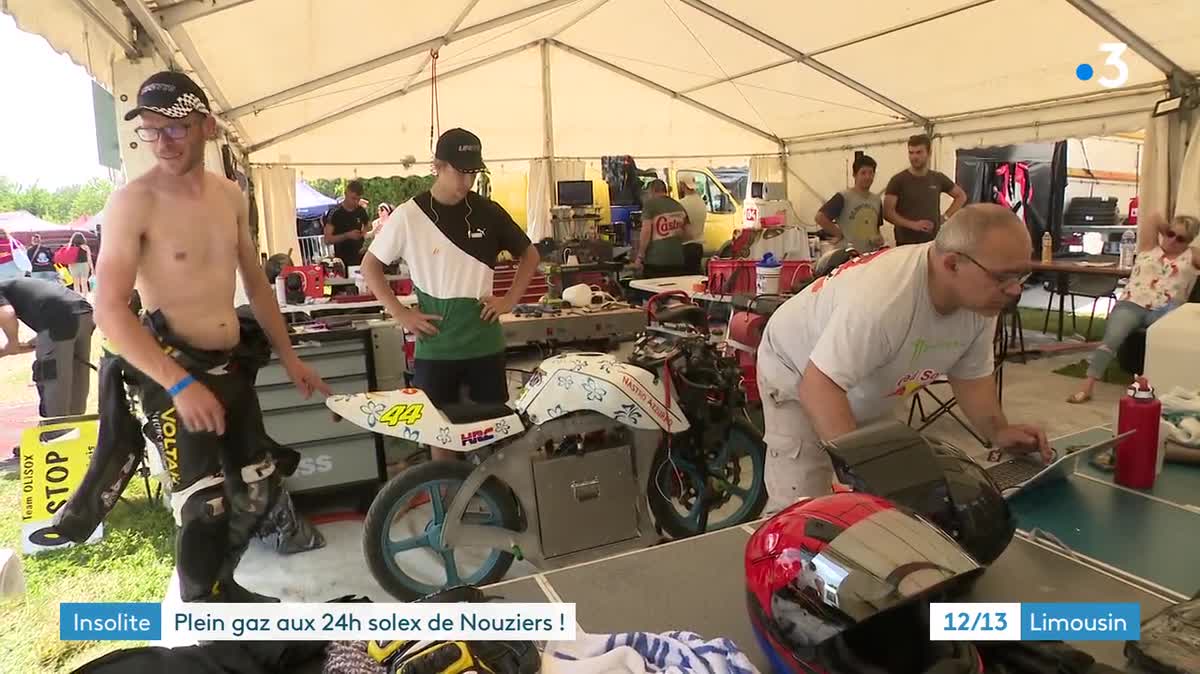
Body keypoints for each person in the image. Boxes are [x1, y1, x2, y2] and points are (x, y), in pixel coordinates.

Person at [95, 70, 331, 602]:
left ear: (206, 126)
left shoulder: (230, 195)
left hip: (231, 367)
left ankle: (227, 591)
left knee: (254, 491)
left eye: (175, 128)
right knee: (204, 509)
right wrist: (178, 384)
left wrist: (292, 359)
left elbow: (256, 284)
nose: (162, 142)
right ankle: (205, 619)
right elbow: (109, 309)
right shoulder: (133, 202)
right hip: (173, 370)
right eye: (151, 130)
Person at [755, 204, 1050, 511]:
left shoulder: (978, 299)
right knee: (802, 507)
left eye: (1021, 275)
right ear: (951, 264)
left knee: (886, 498)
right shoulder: (885, 299)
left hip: (858, 376)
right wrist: (863, 472)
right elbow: (820, 387)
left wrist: (999, 430)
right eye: (1003, 277)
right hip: (796, 369)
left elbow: (972, 379)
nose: (1015, 290)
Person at [361, 128, 539, 462]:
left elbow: (530, 255)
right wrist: (401, 313)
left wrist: (509, 300)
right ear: (437, 166)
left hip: (484, 344)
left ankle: (496, 500)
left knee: (494, 432)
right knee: (439, 432)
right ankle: (447, 502)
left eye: (472, 173)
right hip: (436, 347)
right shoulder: (409, 215)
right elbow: (370, 266)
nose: (466, 182)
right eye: (460, 172)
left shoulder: (489, 211)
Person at [1069, 211, 1200, 404]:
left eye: (1180, 239)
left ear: (1189, 241)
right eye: (1171, 234)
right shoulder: (1149, 247)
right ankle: (1087, 387)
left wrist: (1185, 241)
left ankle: (1154, 386)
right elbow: (1154, 217)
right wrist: (1170, 231)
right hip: (1133, 303)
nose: (1173, 241)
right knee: (1112, 338)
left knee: (1165, 337)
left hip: (1166, 309)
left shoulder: (1192, 255)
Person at [0, 277, 94, 417]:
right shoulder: (15, 287)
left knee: (53, 379)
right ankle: (77, 428)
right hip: (84, 312)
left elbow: (7, 314)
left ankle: (55, 433)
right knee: (77, 374)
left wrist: (12, 343)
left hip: (58, 318)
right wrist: (34, 343)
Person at [884, 134, 967, 246]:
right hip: (906, 244)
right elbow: (888, 213)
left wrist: (945, 217)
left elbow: (961, 196)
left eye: (919, 152)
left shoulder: (938, 178)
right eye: (911, 152)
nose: (914, 157)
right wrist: (913, 225)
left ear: (929, 153)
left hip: (933, 242)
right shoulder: (898, 180)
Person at [815, 154, 885, 253]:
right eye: (863, 173)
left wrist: (879, 239)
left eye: (871, 173)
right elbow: (820, 217)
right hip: (848, 255)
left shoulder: (877, 200)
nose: (867, 177)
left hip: (870, 256)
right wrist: (838, 234)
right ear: (855, 175)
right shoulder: (843, 197)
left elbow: (876, 228)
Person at [634, 179, 688, 278]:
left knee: (656, 292)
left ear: (653, 190)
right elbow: (687, 233)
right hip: (677, 260)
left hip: (655, 261)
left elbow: (646, 231)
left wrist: (640, 256)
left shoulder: (650, 205)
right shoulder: (679, 206)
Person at [323, 180, 370, 267]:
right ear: (346, 193)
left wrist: (363, 234)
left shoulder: (360, 210)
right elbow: (327, 239)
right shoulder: (335, 212)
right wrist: (347, 235)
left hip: (360, 258)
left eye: (358, 199)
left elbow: (367, 224)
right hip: (342, 260)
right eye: (353, 198)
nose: (355, 202)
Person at [678, 176, 707, 274]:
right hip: (699, 246)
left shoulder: (681, 203)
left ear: (682, 185)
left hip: (686, 247)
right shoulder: (701, 202)